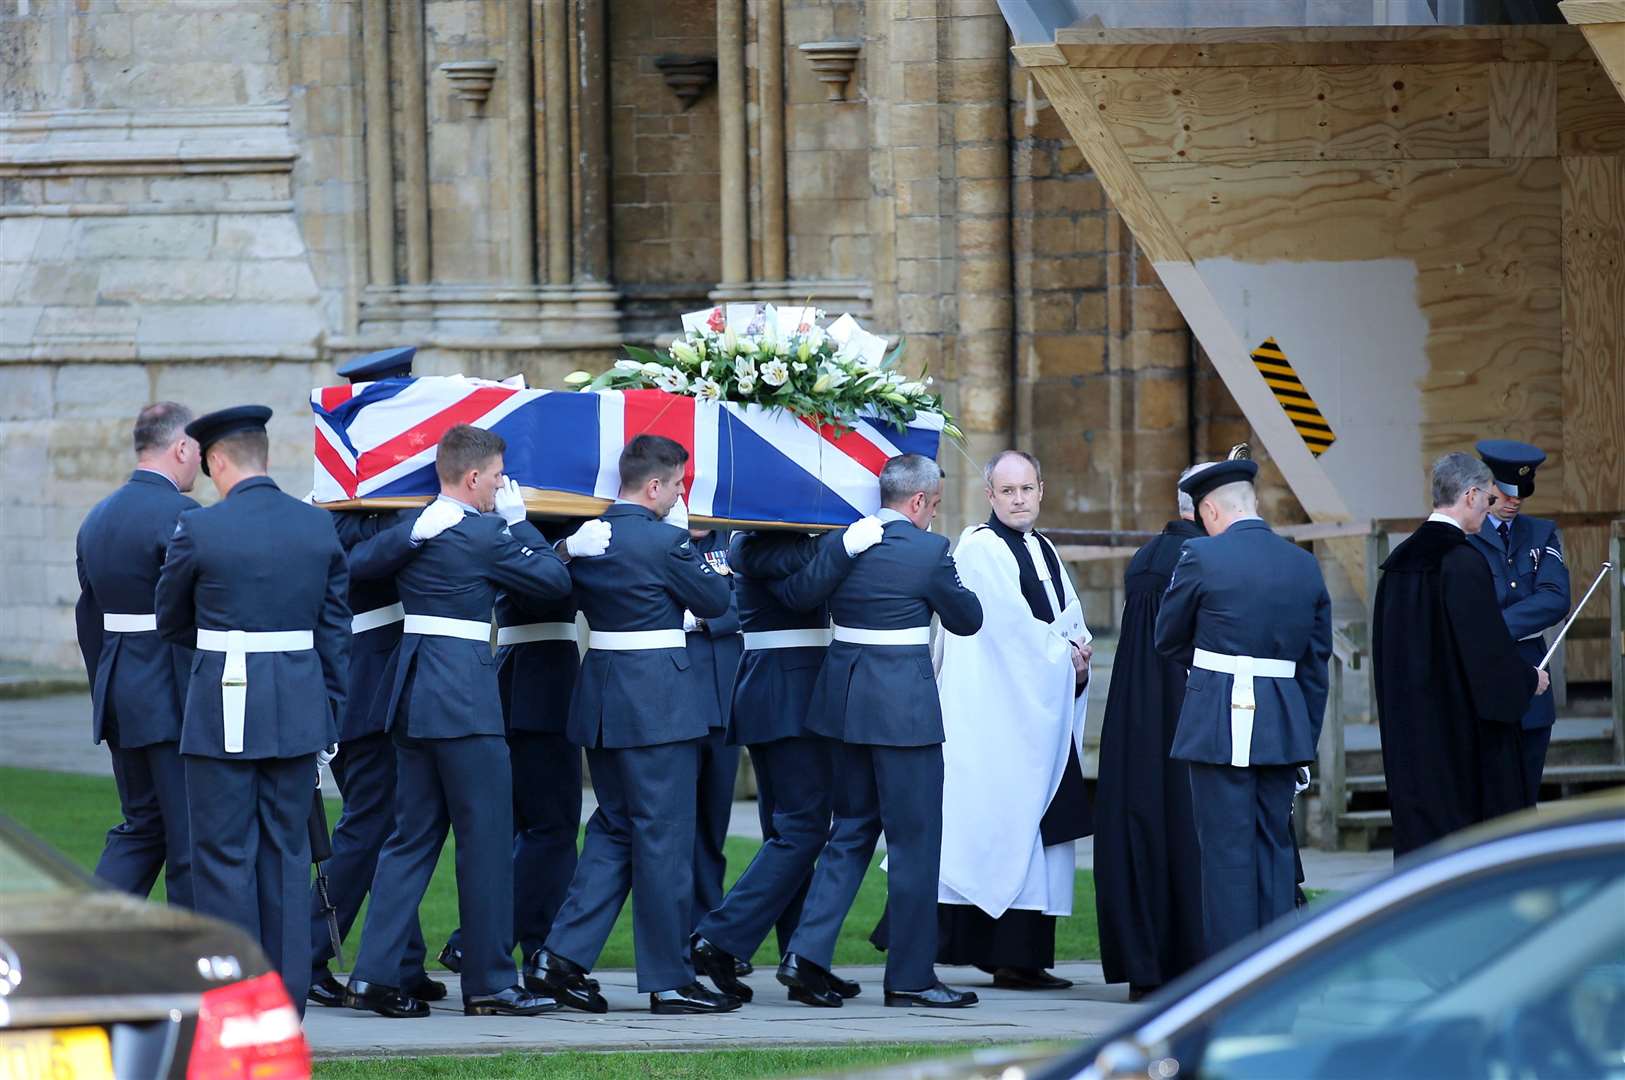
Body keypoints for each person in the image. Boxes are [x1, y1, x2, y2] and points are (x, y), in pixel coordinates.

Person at [343, 424, 600, 1018]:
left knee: (410, 840)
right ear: (476, 477)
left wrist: (411, 532)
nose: (501, 486)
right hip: (462, 699)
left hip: (411, 695)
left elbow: (358, 564)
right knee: (484, 842)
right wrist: (520, 524)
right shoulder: (487, 533)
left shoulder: (417, 529)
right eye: (498, 476)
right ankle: (489, 983)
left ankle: (373, 976)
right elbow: (553, 581)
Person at [528, 434, 741, 1016]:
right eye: (676, 486)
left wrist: (566, 550)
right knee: (663, 840)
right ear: (654, 486)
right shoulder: (665, 541)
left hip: (603, 695)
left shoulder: (590, 538)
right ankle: (669, 979)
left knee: (615, 830)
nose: (679, 496)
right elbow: (717, 599)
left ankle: (560, 957)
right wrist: (681, 540)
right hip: (659, 704)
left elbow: (544, 586)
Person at [154, 405, 350, 1011]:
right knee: (287, 855)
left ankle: (234, 993)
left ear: (214, 460)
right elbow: (334, 633)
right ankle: (286, 996)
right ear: (264, 456)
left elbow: (171, 618)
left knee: (219, 854)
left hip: (222, 710)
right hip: (295, 709)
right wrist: (327, 714)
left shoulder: (200, 528)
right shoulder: (317, 528)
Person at [778, 454, 984, 1010]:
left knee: (848, 831)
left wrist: (842, 552)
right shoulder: (928, 551)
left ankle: (806, 955)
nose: (934, 515)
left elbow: (798, 596)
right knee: (916, 842)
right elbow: (967, 619)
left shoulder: (846, 542)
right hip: (902, 709)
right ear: (917, 501)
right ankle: (911, 976)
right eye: (935, 505)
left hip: (845, 702)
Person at [688, 519, 883, 1003]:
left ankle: (804, 960)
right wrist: (847, 539)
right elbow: (805, 586)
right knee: (804, 829)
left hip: (782, 694)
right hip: (786, 698)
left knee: (789, 833)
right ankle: (719, 937)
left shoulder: (781, 545)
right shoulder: (755, 545)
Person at [306, 347, 444, 1011]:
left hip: (386, 675)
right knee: (369, 823)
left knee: (395, 823)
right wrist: (421, 523)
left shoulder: (381, 492)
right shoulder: (342, 495)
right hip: (362, 680)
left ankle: (401, 960)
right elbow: (354, 567)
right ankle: (304, 952)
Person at [1154, 457, 1331, 961]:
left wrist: (1214, 670)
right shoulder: (1303, 563)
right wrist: (1303, 736)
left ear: (1210, 510)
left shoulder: (1201, 556)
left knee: (1226, 856)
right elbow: (1316, 666)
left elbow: (1167, 638)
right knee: (1274, 851)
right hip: (1281, 725)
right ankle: (1279, 974)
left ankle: (1231, 982)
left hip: (1218, 724)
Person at [930, 450, 1092, 991]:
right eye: (1008, 491)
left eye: (1027, 489)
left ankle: (1024, 958)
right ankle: (1002, 956)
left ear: (1041, 490)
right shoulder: (979, 548)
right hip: (999, 717)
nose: (1019, 499)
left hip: (1040, 714)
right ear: (990, 496)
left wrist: (1079, 651)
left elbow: (1067, 617)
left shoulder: (1042, 548)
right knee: (1002, 825)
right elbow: (1005, 630)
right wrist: (1061, 655)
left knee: (1041, 827)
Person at [1375, 452, 1549, 856]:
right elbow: (1486, 656)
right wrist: (1527, 679)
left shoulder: (1398, 564)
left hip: (1410, 738)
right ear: (1470, 496)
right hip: (1459, 745)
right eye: (1489, 500)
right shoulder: (1461, 562)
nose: (1490, 511)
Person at [439, 520, 586, 978]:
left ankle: (539, 944)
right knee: (552, 830)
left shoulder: (521, 532)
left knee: (539, 832)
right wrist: (560, 546)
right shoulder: (521, 534)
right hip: (540, 687)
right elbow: (548, 588)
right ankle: (477, 942)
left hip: (526, 681)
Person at [74, 402, 200, 909]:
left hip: (120, 686)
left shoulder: (97, 517)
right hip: (170, 693)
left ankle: (85, 936)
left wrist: (105, 683)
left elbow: (89, 620)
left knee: (142, 825)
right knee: (189, 834)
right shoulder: (183, 516)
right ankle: (191, 962)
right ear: (182, 448)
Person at [1094, 465, 1208, 999]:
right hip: (1187, 708)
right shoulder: (1202, 559)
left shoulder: (1147, 556)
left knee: (1144, 829)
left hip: (1136, 714)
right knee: (1188, 832)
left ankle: (1147, 965)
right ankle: (1192, 959)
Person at [1468, 440, 1570, 808]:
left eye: (1521, 494)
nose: (1514, 501)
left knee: (1525, 801)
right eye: (1505, 491)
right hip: (1483, 680)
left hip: (1531, 677)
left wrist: (1490, 625)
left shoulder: (1540, 533)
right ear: (1485, 485)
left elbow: (1556, 597)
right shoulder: (1467, 535)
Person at [682, 526, 745, 944]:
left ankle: (706, 933)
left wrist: (704, 615)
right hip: (678, 706)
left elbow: (749, 601)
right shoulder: (663, 538)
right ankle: (675, 935)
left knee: (711, 829)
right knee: (674, 831)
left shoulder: (734, 541)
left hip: (722, 708)